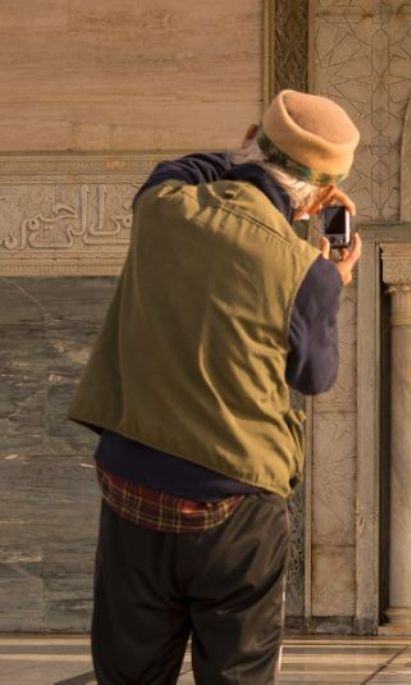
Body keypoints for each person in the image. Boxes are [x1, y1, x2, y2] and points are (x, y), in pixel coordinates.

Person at [68, 89, 362, 683]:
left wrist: (250, 151)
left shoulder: (164, 204)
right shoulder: (309, 272)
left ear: (253, 138)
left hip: (133, 489)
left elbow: (186, 166)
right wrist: (332, 282)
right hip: (237, 510)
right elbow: (314, 376)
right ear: (323, 198)